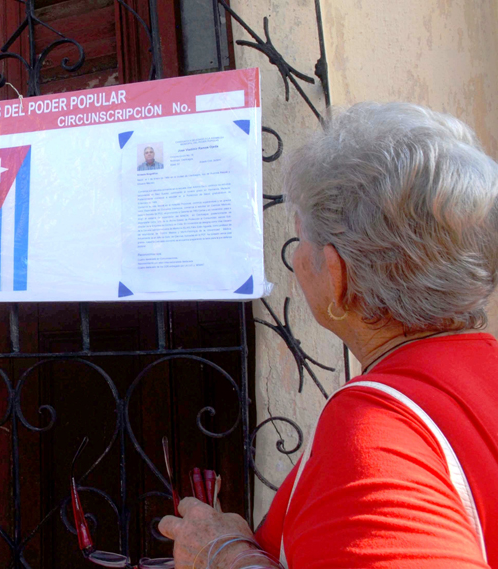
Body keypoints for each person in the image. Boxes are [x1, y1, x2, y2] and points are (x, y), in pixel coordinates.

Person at [158, 102, 498, 568]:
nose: (296, 258)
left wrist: (223, 554)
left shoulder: (376, 430)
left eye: (301, 240)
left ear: (336, 276)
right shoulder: (481, 372)